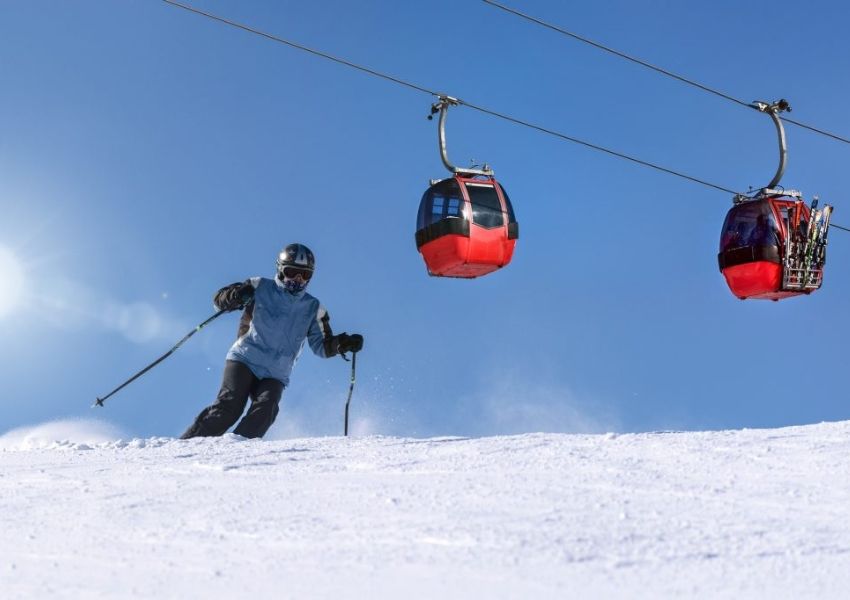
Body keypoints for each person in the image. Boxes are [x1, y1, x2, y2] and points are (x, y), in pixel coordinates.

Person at [181, 243, 363, 440]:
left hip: (276, 372)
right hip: (245, 358)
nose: (298, 279)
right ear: (280, 269)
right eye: (292, 272)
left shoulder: (313, 308)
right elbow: (219, 301)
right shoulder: (259, 286)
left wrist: (343, 343)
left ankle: (236, 450)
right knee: (229, 408)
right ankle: (187, 446)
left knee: (266, 410)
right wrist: (236, 296)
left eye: (304, 275)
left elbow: (322, 346)